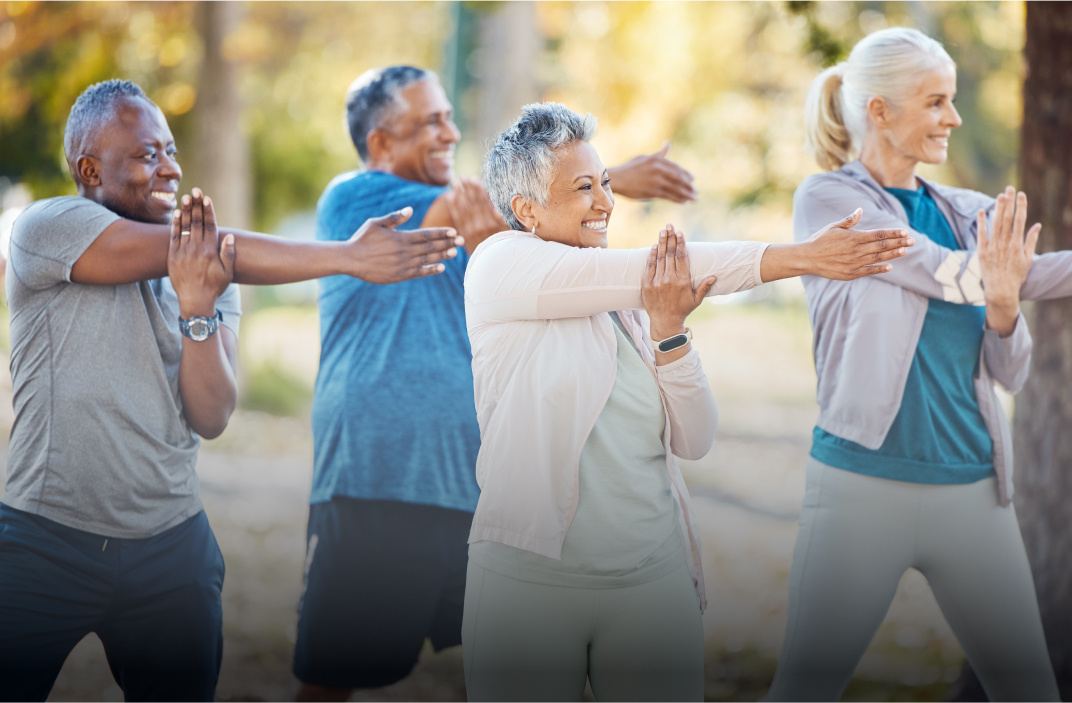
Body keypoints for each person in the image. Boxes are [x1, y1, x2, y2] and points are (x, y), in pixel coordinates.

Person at [0, 79, 461, 702]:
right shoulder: (48, 228)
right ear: (89, 169)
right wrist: (346, 258)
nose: (169, 168)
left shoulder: (213, 273)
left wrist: (197, 309)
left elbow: (211, 414)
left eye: (169, 150)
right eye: (145, 155)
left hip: (169, 550)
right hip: (44, 540)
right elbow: (208, 249)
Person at [460, 101, 912, 702]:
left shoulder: (626, 301)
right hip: (528, 580)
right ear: (526, 210)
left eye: (606, 183)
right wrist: (800, 256)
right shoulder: (498, 265)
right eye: (583, 187)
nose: (605, 201)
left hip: (651, 580)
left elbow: (695, 439)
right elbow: (665, 268)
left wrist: (669, 331)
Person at [292, 65, 712, 701]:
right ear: (380, 143)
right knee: (334, 677)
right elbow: (475, 209)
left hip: (478, 481)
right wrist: (617, 175)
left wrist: (595, 186)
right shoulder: (355, 199)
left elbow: (531, 216)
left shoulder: (497, 230)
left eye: (448, 116)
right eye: (430, 120)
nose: (449, 131)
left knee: (503, 658)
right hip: (379, 479)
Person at [766, 27, 1072, 701]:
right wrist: (1001, 278)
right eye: (936, 102)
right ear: (879, 110)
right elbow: (932, 270)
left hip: (974, 494)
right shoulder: (828, 203)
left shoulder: (970, 214)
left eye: (953, 101)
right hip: (860, 488)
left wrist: (1003, 305)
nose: (953, 119)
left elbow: (1012, 365)